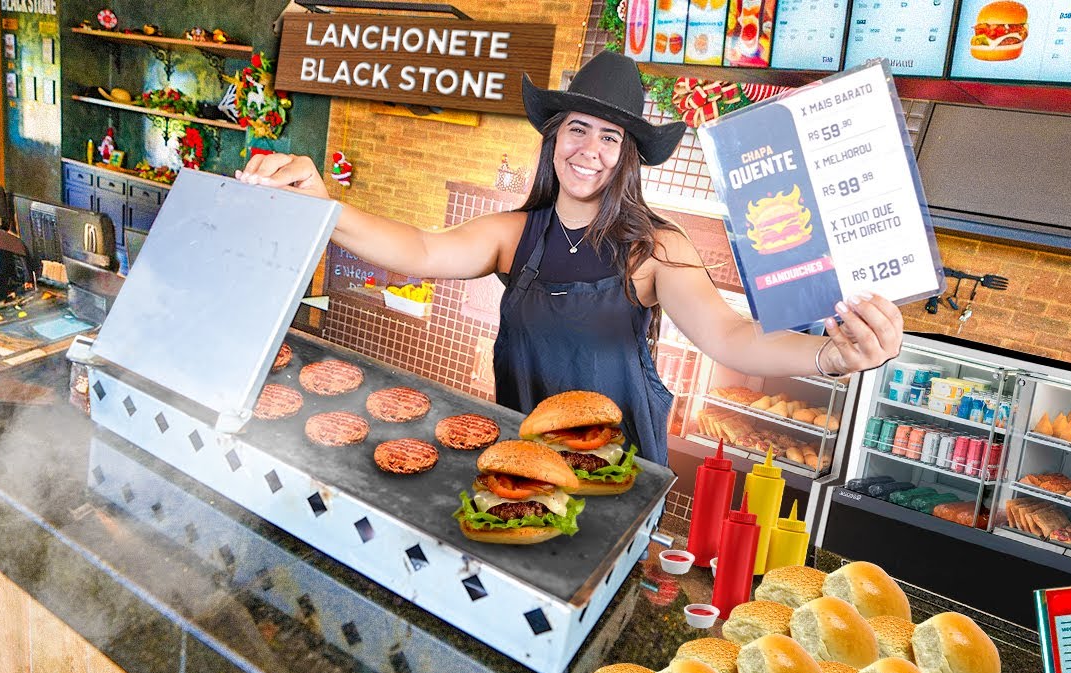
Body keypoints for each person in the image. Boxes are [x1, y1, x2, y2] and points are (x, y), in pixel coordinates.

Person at [238, 51, 903, 464]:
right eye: (576, 129)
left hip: (620, 475)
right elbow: (418, 251)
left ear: (627, 156)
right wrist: (324, 206)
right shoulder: (513, 235)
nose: (590, 148)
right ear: (554, 139)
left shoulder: (655, 248)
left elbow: (729, 338)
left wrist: (830, 357)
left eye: (610, 137)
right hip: (526, 465)